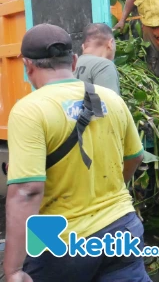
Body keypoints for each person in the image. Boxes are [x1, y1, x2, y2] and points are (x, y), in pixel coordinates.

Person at [4, 24, 148, 282]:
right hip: (121, 230)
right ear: (72, 60)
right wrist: (111, 191)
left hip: (62, 243)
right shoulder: (111, 99)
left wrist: (13, 269)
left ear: (28, 65)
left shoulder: (29, 110)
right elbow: (134, 157)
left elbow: (26, 191)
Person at [75, 23, 121, 94]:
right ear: (110, 43)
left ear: (83, 47)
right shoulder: (104, 65)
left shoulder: (72, 65)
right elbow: (109, 102)